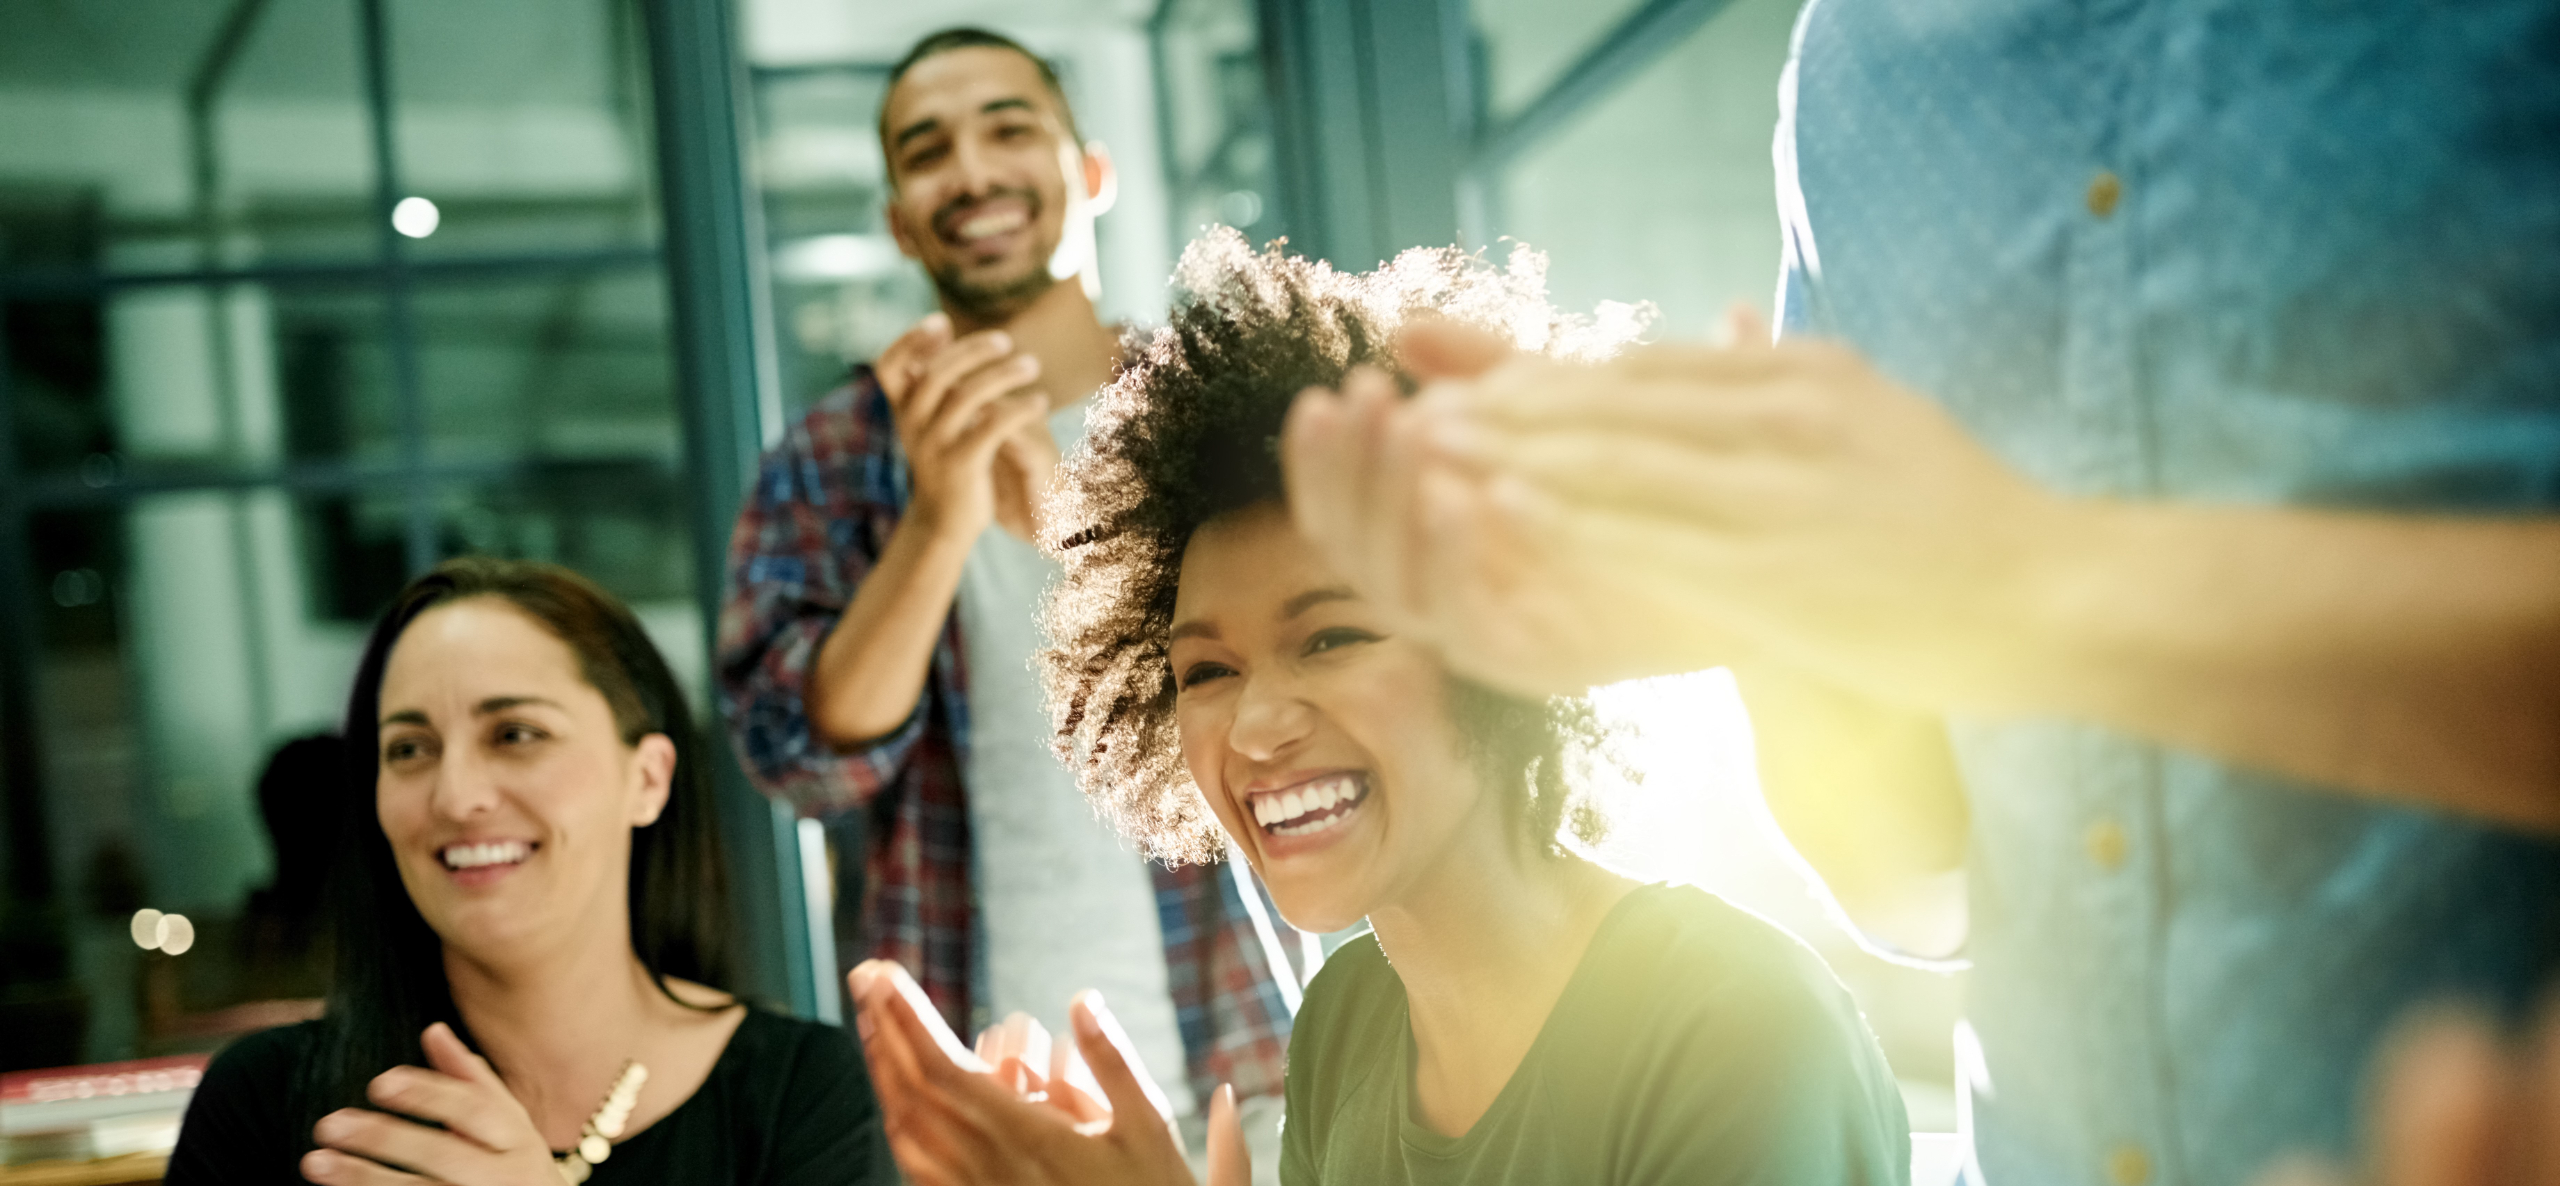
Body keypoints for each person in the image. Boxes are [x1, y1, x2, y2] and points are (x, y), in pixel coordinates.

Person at [1278, 4, 2560, 1184]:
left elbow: (1994, 589)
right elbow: (1920, 884)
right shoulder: (1861, 67)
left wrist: (2029, 591)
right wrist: (1757, 603)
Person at [848, 230, 1910, 1186]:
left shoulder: (1734, 1027)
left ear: (1497, 637)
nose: (1256, 725)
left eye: (1331, 637)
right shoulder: (1345, 1022)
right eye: (1205, 671)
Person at [714, 24, 1294, 1150]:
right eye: (926, 149)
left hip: (1255, 1048)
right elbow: (801, 754)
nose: (971, 172)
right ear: (897, 216)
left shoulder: (1217, 401)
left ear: (1090, 173)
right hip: (977, 1094)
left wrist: (1069, 521)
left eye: (1008, 128)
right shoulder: (832, 457)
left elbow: (1302, 679)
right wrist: (936, 524)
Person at [167, 558, 885, 1184]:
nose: (456, 796)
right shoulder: (265, 1102)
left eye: (515, 735)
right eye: (410, 749)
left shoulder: (798, 1094)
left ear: (648, 779)